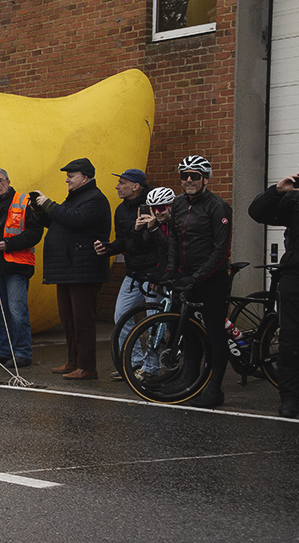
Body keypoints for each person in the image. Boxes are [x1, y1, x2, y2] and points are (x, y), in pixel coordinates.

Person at [32, 158, 112, 380]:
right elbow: (61, 221)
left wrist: (49, 204)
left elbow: (75, 220)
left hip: (83, 270)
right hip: (68, 269)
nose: (67, 179)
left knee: (82, 320)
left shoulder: (95, 199)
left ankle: (87, 367)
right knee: (68, 319)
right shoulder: (74, 199)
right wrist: (40, 212)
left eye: (71, 175)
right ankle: (74, 361)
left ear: (85, 177)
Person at [163, 155, 233, 408]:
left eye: (195, 176)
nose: (189, 180)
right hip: (186, 275)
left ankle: (214, 389)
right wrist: (172, 270)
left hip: (211, 278)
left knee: (214, 332)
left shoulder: (218, 206)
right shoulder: (179, 204)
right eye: (185, 176)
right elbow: (173, 239)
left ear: (205, 179)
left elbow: (220, 249)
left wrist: (197, 277)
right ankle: (188, 381)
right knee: (188, 329)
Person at [248, 152, 299, 418]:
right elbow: (257, 212)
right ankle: (290, 398)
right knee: (290, 340)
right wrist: (276, 190)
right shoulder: (293, 196)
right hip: (296, 276)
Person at [95, 169, 163, 380]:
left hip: (154, 276)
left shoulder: (156, 205)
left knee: (156, 322)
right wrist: (109, 248)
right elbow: (125, 241)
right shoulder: (121, 210)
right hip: (133, 273)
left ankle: (151, 368)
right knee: (121, 317)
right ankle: (133, 362)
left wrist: (160, 273)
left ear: (136, 186)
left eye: (122, 183)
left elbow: (162, 242)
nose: (117, 186)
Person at [0, 168, 43, 368]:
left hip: (17, 265)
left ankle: (22, 352)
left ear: (8, 181)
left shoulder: (24, 202)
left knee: (16, 310)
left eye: (0, 181)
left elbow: (36, 232)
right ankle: (5, 351)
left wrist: (9, 244)